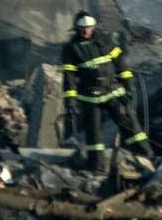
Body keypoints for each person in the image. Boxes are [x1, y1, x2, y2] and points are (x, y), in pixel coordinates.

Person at [59, 11, 150, 170]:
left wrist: (128, 88)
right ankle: (97, 167)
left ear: (93, 27)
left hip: (113, 93)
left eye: (88, 28)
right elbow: (69, 77)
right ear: (77, 29)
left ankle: (145, 157)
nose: (86, 31)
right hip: (90, 98)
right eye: (82, 28)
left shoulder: (105, 41)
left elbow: (122, 65)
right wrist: (70, 102)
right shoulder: (72, 49)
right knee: (94, 135)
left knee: (132, 127)